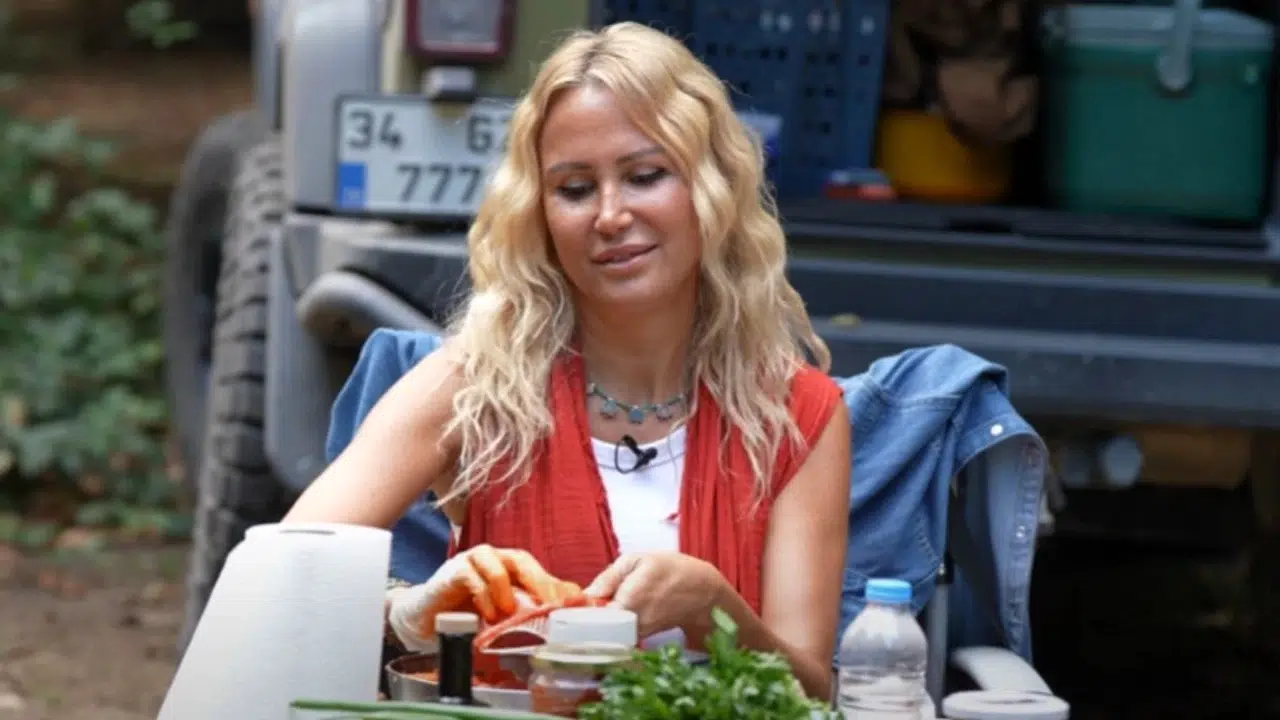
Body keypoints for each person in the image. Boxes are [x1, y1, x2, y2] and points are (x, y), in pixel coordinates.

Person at [282, 21, 851, 700]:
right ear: (541, 214)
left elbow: (812, 696)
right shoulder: (476, 383)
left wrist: (716, 612)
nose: (610, 215)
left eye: (645, 176)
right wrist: (407, 611)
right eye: (575, 189)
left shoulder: (798, 415)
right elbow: (285, 570)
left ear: (712, 187)